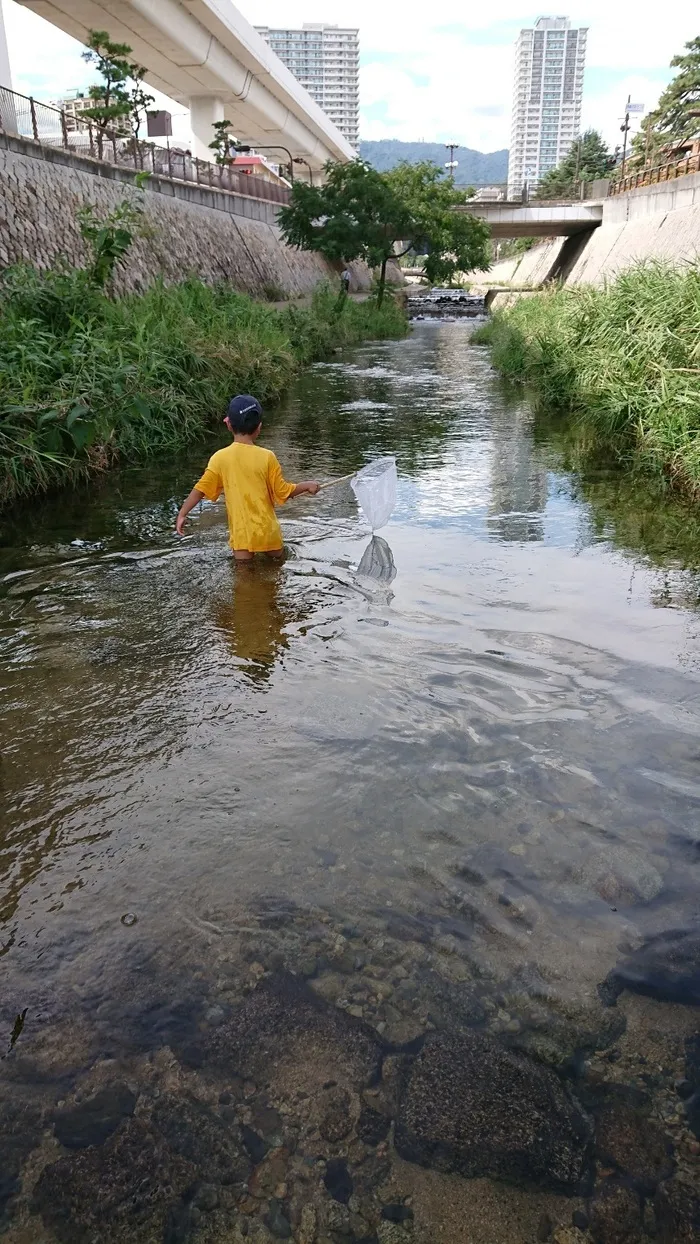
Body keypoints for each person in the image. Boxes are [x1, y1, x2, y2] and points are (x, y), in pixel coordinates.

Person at [176, 394, 319, 560]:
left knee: (243, 581)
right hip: (268, 533)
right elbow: (284, 492)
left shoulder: (220, 458)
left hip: (242, 535)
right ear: (259, 427)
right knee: (276, 573)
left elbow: (200, 490)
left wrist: (182, 514)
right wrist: (307, 485)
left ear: (228, 424)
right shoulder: (267, 457)